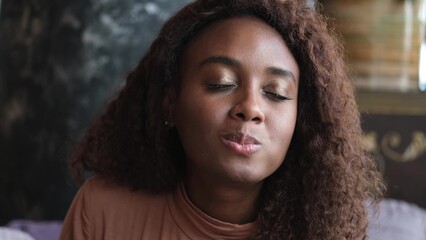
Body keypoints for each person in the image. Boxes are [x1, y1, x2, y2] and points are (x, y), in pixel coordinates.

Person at [60, 0, 385, 239]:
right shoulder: (102, 212)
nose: (250, 108)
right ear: (170, 104)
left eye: (276, 92)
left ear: (301, 122)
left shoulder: (325, 231)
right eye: (221, 83)